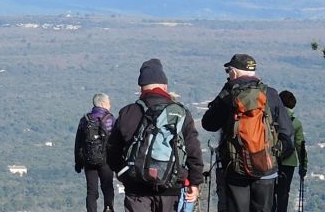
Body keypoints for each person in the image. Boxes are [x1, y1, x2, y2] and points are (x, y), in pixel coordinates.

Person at [201, 54, 295, 212]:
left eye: (228, 71)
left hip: (235, 169)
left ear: (234, 72)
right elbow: (287, 134)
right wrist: (274, 154)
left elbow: (208, 124)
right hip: (266, 169)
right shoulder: (270, 94)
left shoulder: (229, 95)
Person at [108, 59, 204, 212]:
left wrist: (123, 174)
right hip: (171, 187)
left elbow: (112, 150)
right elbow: (194, 151)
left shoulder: (128, 112)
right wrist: (194, 182)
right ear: (164, 86)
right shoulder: (180, 113)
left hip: (136, 188)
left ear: (141, 88)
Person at [76, 93, 118, 212]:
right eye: (109, 102)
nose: (110, 104)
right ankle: (108, 208)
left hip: (89, 160)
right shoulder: (110, 119)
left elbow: (78, 143)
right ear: (104, 104)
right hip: (106, 160)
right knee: (108, 187)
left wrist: (78, 162)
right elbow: (116, 141)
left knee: (91, 190)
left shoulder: (85, 120)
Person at [273, 91, 307, 212]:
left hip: (272, 160)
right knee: (283, 193)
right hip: (289, 162)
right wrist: (303, 166)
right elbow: (300, 145)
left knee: (270, 192)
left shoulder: (272, 120)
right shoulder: (296, 123)